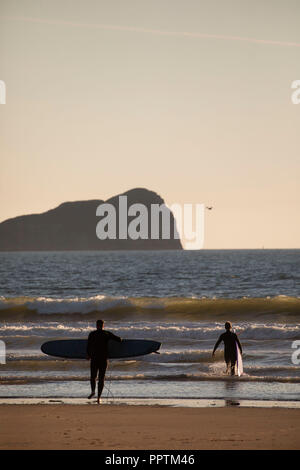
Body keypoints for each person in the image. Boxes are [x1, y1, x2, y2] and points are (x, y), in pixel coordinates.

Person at [86, 319, 122, 404]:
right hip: (103, 359)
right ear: (103, 325)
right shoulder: (107, 334)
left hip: (94, 358)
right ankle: (98, 398)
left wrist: (88, 355)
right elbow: (119, 340)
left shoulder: (92, 334)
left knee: (93, 377)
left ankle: (92, 391)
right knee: (101, 379)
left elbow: (88, 346)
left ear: (96, 325)